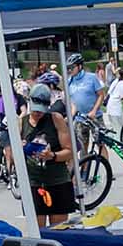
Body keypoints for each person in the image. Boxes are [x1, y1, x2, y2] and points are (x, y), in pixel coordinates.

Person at [20, 82, 79, 222]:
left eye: (41, 110)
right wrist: (21, 148)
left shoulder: (56, 119)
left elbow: (70, 151)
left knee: (58, 231)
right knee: (38, 232)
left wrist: (52, 156)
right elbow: (11, 155)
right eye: (35, 109)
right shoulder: (21, 122)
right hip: (34, 182)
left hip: (57, 180)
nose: (38, 113)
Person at [67, 58, 105, 124]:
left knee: (100, 134)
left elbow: (101, 95)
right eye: (68, 68)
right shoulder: (69, 81)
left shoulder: (92, 77)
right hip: (80, 119)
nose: (70, 70)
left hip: (95, 116)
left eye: (72, 67)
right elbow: (70, 99)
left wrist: (94, 111)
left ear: (80, 66)